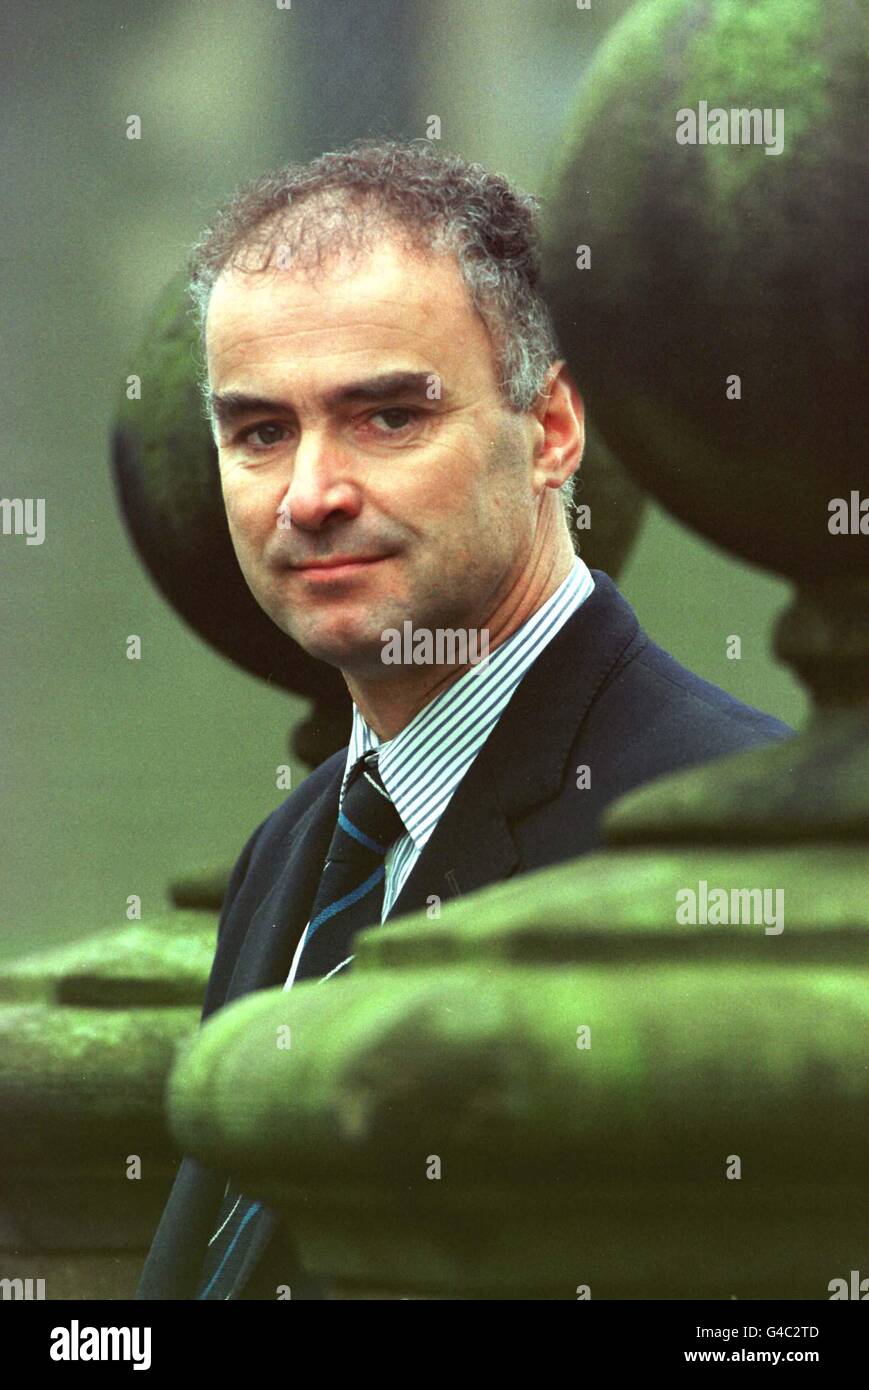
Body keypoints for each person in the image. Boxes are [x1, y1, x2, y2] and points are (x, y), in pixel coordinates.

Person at [136, 139, 792, 1299]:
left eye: (386, 417)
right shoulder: (292, 849)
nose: (309, 495)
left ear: (549, 433)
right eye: (258, 431)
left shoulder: (720, 852)